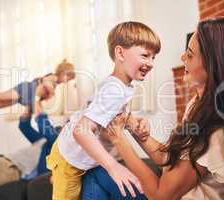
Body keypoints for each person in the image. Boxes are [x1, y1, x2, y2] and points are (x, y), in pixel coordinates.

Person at [81, 17, 224, 200]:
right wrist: (135, 129)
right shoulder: (198, 105)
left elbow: (161, 196)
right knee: (96, 172)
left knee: (95, 174)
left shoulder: (219, 132)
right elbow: (169, 160)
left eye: (190, 55)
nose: (182, 57)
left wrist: (119, 140)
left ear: (213, 67)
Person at [46, 21, 161, 200]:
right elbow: (81, 131)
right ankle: (58, 173)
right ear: (120, 53)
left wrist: (134, 121)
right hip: (69, 159)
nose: (151, 63)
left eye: (153, 57)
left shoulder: (121, 86)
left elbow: (114, 112)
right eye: (145, 55)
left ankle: (56, 174)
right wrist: (113, 167)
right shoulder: (114, 90)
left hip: (83, 159)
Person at [0, 92, 63, 188]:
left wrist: (37, 101)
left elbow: (49, 133)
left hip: (9, 170)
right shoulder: (44, 141)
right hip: (2, 161)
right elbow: (24, 126)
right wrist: (30, 105)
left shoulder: (57, 145)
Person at [0, 59, 75, 110]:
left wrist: (44, 98)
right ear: (62, 72)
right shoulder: (53, 77)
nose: (66, 81)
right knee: (0, 96)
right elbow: (46, 82)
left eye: (69, 80)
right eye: (67, 77)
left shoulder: (55, 84)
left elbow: (40, 96)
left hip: (26, 97)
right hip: (26, 89)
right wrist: (51, 93)